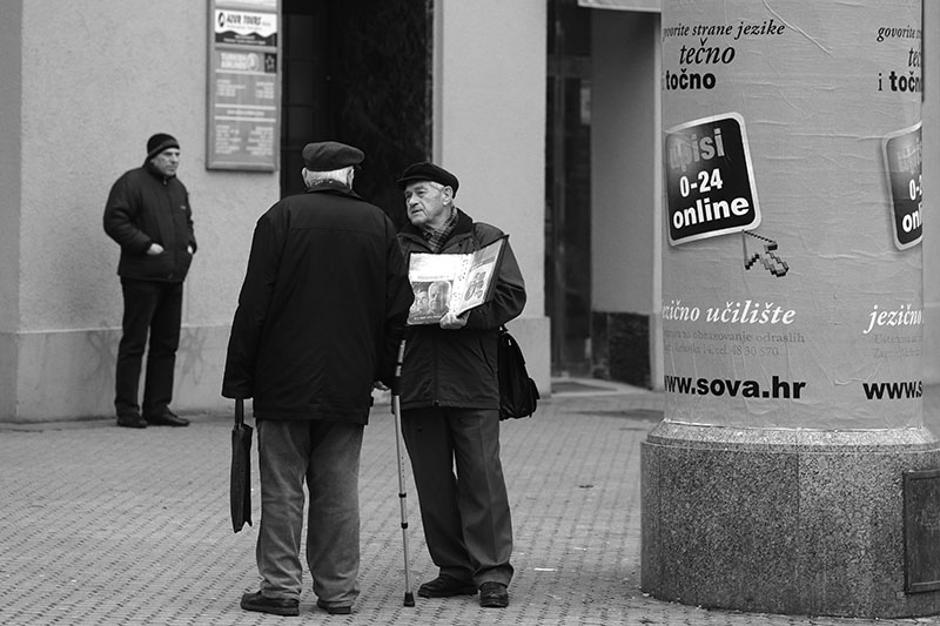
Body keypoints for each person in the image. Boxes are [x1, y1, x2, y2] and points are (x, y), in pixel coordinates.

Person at [222, 141, 413, 617]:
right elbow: (398, 308)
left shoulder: (279, 218)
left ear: (309, 176)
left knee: (283, 487)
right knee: (338, 489)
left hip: (282, 380)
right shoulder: (379, 224)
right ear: (350, 176)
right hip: (349, 381)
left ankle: (281, 589)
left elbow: (254, 304)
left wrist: (240, 377)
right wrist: (386, 372)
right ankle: (338, 592)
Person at [396, 161, 526, 609]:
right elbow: (381, 307)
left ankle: (491, 572)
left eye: (421, 193)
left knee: (481, 479)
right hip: (416, 379)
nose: (412, 202)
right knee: (432, 482)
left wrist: (470, 317)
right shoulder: (398, 246)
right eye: (408, 196)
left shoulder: (485, 238)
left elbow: (511, 296)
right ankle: (453, 570)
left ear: (448, 195)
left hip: (472, 377)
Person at [103, 133, 196, 429]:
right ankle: (127, 410)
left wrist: (190, 246)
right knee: (135, 342)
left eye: (178, 155)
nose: (174, 160)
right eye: (168, 154)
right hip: (141, 276)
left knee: (166, 344)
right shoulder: (131, 183)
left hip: (173, 277)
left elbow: (188, 224)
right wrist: (145, 245)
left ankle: (158, 407)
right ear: (153, 156)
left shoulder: (179, 189)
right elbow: (115, 220)